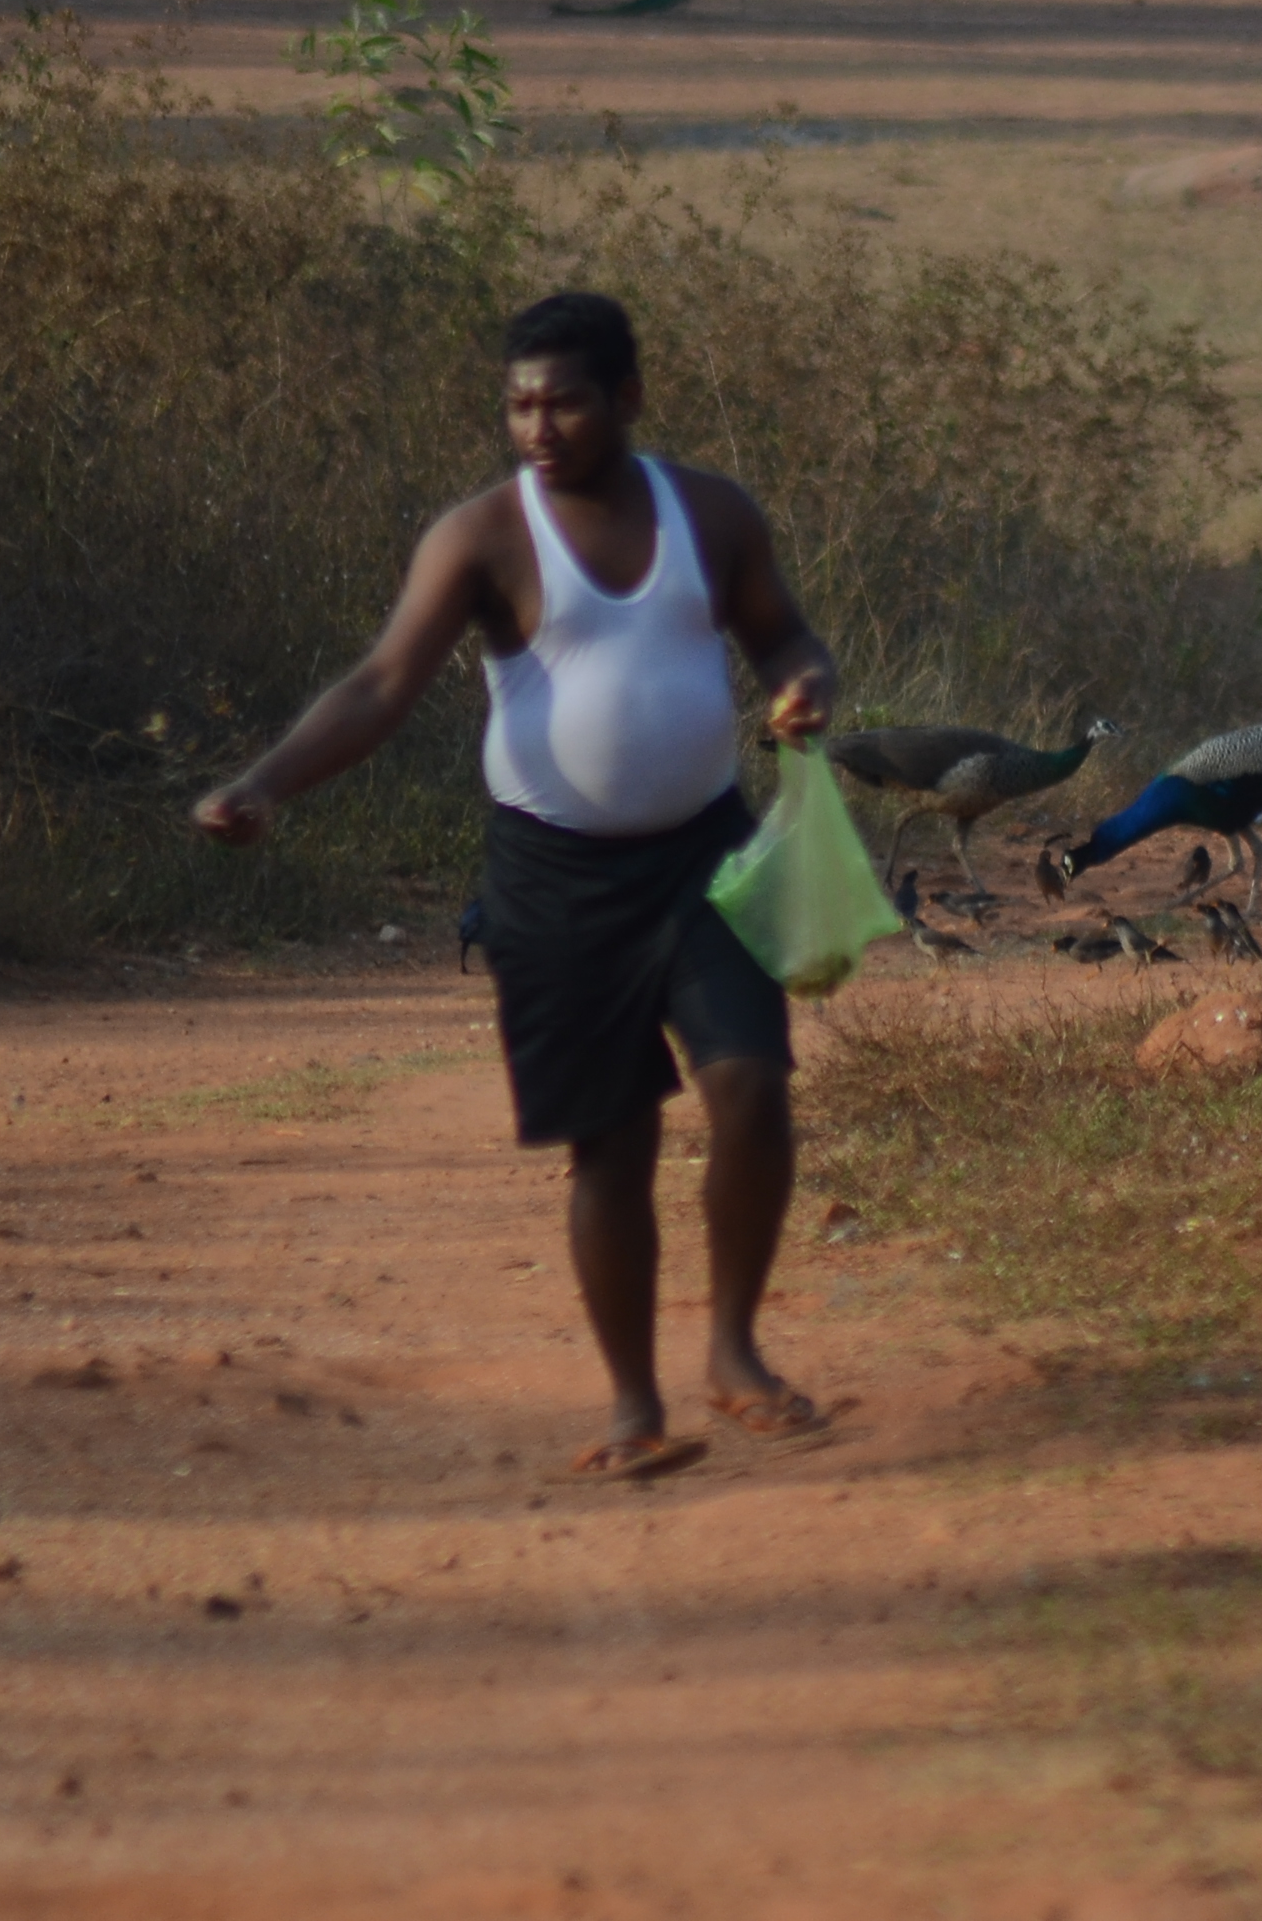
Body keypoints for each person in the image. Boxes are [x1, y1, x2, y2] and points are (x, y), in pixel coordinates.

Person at [194, 292, 836, 1477]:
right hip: (554, 877)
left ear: (629, 399)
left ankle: (736, 1353)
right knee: (612, 1142)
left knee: (752, 1089)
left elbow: (786, 638)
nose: (539, 427)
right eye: (519, 405)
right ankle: (634, 1407)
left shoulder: (712, 515)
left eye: (566, 402)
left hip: (705, 854)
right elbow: (382, 686)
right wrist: (266, 782)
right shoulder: (482, 538)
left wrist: (807, 684)